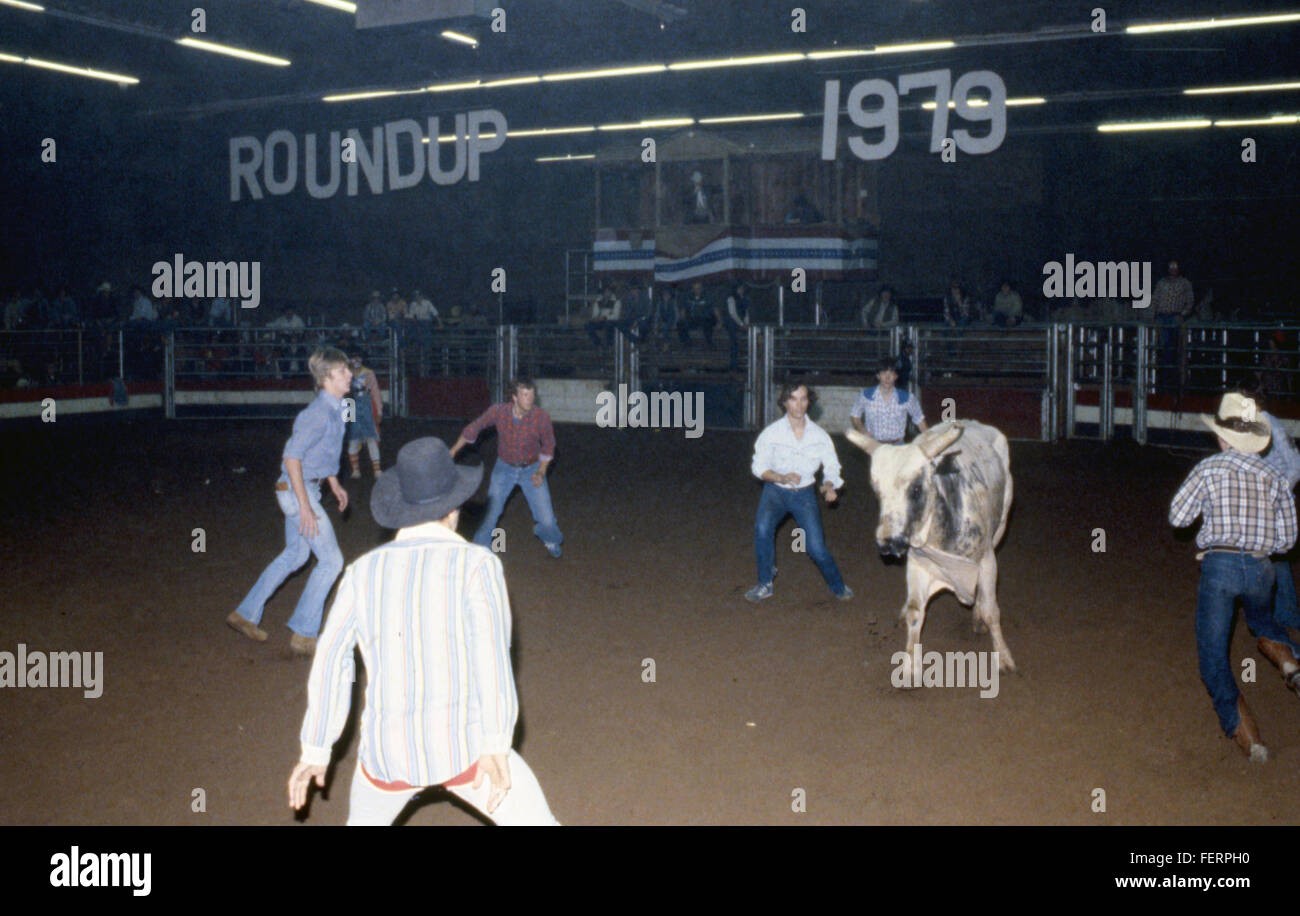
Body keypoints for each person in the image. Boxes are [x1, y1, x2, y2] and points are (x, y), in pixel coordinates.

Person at [287, 438, 559, 826]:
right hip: (465, 751)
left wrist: (315, 748)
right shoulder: (478, 565)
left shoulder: (361, 572)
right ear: (454, 508)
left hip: (386, 760)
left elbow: (331, 659)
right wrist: (496, 742)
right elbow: (491, 655)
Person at [1169, 391, 1299, 761]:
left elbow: (1177, 517)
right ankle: (1289, 662)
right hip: (1261, 569)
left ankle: (1250, 740)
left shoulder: (1208, 469)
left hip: (1219, 569)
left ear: (1222, 438)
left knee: (1212, 660)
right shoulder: (1273, 477)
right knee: (1262, 621)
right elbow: (1287, 540)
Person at [227, 348, 351, 656]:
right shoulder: (317, 414)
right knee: (332, 560)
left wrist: (333, 481)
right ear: (327, 378)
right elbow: (292, 458)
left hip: (304, 490)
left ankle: (244, 613)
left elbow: (323, 453)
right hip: (298, 493)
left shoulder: (337, 408)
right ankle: (304, 633)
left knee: (296, 555)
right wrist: (305, 506)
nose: (350, 374)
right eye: (343, 371)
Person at [746, 382, 852, 603]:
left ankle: (838, 586)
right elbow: (758, 466)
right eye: (793, 399)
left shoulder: (820, 436)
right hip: (775, 493)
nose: (799, 404)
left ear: (809, 401)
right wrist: (780, 477)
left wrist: (830, 485)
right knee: (762, 530)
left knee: (815, 547)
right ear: (784, 402)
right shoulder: (771, 433)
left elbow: (832, 466)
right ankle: (765, 583)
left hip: (804, 496)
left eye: (803, 398)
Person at [450, 377, 563, 557]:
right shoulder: (498, 412)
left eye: (532, 395)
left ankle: (551, 539)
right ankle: (480, 550)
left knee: (547, 520)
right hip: (504, 469)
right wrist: (454, 451)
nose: (530, 399)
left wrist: (541, 472)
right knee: (490, 513)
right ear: (514, 397)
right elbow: (473, 428)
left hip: (532, 469)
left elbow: (549, 447)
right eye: (525, 395)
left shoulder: (541, 417)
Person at [1254, 392, 1300, 656]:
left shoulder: (1275, 428)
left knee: (1274, 558)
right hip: (1261, 498)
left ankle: (1285, 619)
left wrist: (1279, 489)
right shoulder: (1250, 426)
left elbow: (1296, 464)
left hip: (1275, 499)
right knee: (1271, 557)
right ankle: (1283, 616)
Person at [850, 357, 928, 444]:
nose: (887, 377)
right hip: (874, 445)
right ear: (878, 376)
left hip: (898, 447)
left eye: (891, 373)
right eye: (883, 373)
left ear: (896, 376)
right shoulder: (866, 395)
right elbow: (855, 415)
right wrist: (862, 430)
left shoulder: (907, 398)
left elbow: (919, 420)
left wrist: (929, 440)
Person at [346, 351, 383, 479]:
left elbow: (376, 392)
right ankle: (355, 470)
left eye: (358, 357)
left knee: (371, 437)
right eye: (353, 358)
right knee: (352, 439)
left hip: (367, 407)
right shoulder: (345, 374)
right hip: (350, 405)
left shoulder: (369, 373)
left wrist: (379, 411)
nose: (356, 360)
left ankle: (377, 469)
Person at [678, 281, 716, 349]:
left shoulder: (707, 296)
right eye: (695, 288)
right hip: (693, 318)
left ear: (702, 288)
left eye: (698, 288)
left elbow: (715, 309)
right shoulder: (688, 296)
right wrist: (682, 317)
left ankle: (710, 343)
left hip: (705, 318)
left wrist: (720, 321)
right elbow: (683, 309)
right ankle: (687, 343)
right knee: (680, 324)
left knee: (708, 324)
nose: (697, 290)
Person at [723, 281, 750, 370]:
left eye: (742, 288)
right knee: (734, 342)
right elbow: (732, 313)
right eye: (740, 288)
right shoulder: (731, 298)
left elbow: (746, 313)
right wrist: (742, 324)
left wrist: (746, 323)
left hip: (740, 324)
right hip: (732, 324)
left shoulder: (745, 299)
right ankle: (733, 364)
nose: (741, 290)